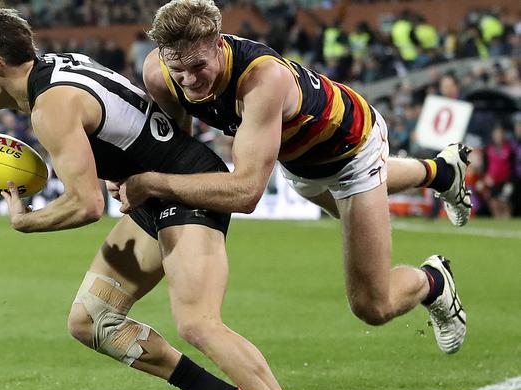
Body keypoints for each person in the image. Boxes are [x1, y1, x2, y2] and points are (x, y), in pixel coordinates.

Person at [0, 6, 308, 390]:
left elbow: (86, 205)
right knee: (92, 320)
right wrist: (130, 172)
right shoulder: (58, 68)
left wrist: (27, 221)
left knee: (198, 322)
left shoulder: (51, 107)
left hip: (186, 188)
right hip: (155, 193)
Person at [118, 0, 469, 358]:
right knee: (347, 209)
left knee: (371, 305)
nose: (189, 80)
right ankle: (442, 172)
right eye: (179, 70)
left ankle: (434, 281)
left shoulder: (261, 80)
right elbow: (177, 150)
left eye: (198, 66)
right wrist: (121, 173)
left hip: (351, 150)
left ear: (219, 44)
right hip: (296, 162)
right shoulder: (158, 73)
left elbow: (246, 193)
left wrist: (150, 184)